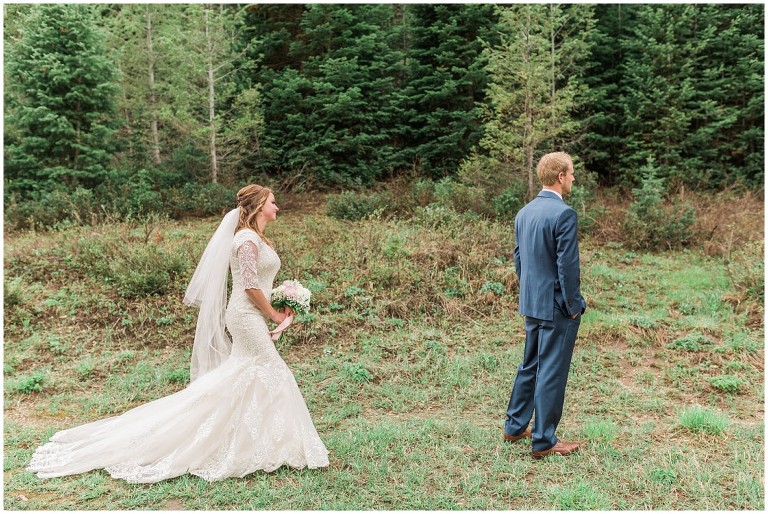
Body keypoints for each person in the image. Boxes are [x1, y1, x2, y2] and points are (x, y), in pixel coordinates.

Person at [28, 185, 329, 483]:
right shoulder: (246, 239)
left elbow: (258, 283)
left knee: (244, 375)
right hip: (245, 316)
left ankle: (256, 441)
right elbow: (250, 285)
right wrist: (274, 314)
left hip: (249, 314)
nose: (278, 207)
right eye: (273, 202)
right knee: (273, 370)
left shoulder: (255, 239)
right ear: (259, 205)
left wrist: (283, 299)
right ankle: (269, 445)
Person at [502, 152, 586, 458]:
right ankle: (544, 440)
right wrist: (573, 305)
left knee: (530, 364)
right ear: (560, 176)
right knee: (551, 369)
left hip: (532, 302)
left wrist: (530, 293)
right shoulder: (564, 214)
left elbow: (519, 259)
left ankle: (514, 425)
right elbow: (568, 267)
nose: (574, 178)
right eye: (572, 173)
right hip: (556, 306)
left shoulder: (524, 212)